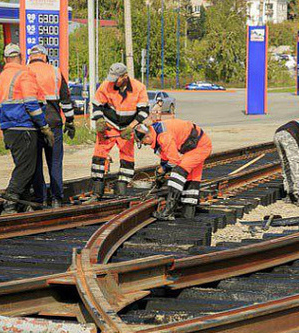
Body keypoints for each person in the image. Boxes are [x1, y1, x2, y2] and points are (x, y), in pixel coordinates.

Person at [0, 43, 51, 214]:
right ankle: (11, 202)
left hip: (9, 128)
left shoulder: (1, 78)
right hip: (25, 127)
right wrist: (43, 126)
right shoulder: (24, 74)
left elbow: (0, 106)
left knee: (23, 165)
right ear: (20, 57)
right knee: (26, 168)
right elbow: (31, 103)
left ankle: (24, 203)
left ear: (6, 59)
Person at [90, 62, 149, 200]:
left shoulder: (139, 88)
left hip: (127, 128)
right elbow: (97, 105)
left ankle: (121, 189)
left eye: (116, 78)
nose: (113, 81)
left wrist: (131, 127)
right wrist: (99, 120)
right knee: (99, 156)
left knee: (127, 158)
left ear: (125, 76)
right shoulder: (106, 85)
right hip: (109, 126)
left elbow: (144, 112)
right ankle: (97, 190)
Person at [134, 118, 212, 220]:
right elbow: (166, 155)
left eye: (143, 142)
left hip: (199, 147)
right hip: (196, 146)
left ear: (148, 136)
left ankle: (168, 213)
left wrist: (164, 169)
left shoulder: (163, 136)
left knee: (178, 173)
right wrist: (162, 168)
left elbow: (174, 160)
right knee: (191, 179)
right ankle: (188, 214)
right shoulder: (156, 133)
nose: (145, 144)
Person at [27, 44, 75, 208]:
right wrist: (70, 121)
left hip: (32, 124)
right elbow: (66, 100)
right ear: (46, 57)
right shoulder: (55, 72)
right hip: (54, 122)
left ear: (30, 57)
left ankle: (39, 199)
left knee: (36, 163)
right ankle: (56, 199)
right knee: (55, 162)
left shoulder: (24, 72)